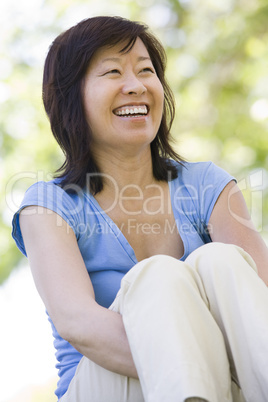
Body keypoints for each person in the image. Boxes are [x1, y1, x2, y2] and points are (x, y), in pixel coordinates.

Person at [12, 15, 268, 402]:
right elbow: (77, 323)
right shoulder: (48, 206)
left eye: (146, 71)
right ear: (71, 98)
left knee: (223, 261)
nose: (136, 86)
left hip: (225, 384)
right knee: (160, 277)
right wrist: (197, 360)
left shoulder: (207, 184)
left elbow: (258, 299)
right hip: (107, 385)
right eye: (113, 72)